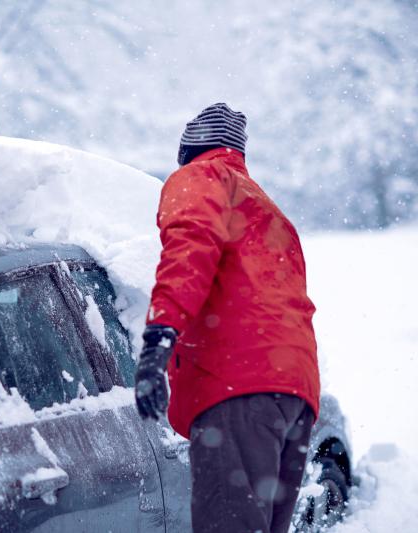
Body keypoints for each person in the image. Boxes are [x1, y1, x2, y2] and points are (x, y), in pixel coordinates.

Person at [134, 103, 321, 533]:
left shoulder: (199, 178)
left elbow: (188, 256)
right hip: (295, 392)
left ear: (189, 149)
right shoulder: (267, 210)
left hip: (238, 387)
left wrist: (157, 342)